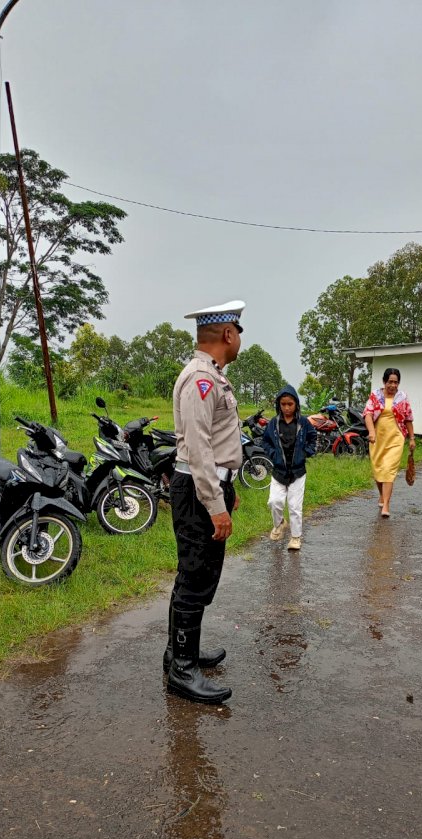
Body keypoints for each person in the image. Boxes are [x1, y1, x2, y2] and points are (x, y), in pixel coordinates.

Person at [162, 300, 245, 705]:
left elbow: (217, 445)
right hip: (197, 490)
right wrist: (215, 503)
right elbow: (198, 448)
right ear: (228, 334)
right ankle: (182, 670)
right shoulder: (201, 379)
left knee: (196, 575)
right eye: (239, 331)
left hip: (206, 485)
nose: (240, 339)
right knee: (195, 578)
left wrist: (228, 489)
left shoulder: (211, 377)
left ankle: (181, 653)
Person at [261, 384, 317, 551]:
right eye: (283, 404)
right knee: (274, 501)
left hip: (298, 472)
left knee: (294, 507)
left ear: (296, 404)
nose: (286, 408)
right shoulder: (273, 423)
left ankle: (295, 538)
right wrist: (272, 454)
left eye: (290, 404)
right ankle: (279, 524)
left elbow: (313, 437)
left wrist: (306, 452)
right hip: (278, 471)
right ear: (279, 404)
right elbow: (265, 441)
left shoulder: (303, 422)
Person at [363, 367, 415, 518]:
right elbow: (368, 414)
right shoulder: (376, 396)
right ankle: (382, 495)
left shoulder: (402, 397)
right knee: (378, 469)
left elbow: (408, 418)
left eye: (396, 382)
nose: (393, 385)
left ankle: (386, 504)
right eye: (390, 382)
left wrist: (412, 438)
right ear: (384, 382)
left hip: (396, 437)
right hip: (378, 438)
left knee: (389, 470)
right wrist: (371, 432)